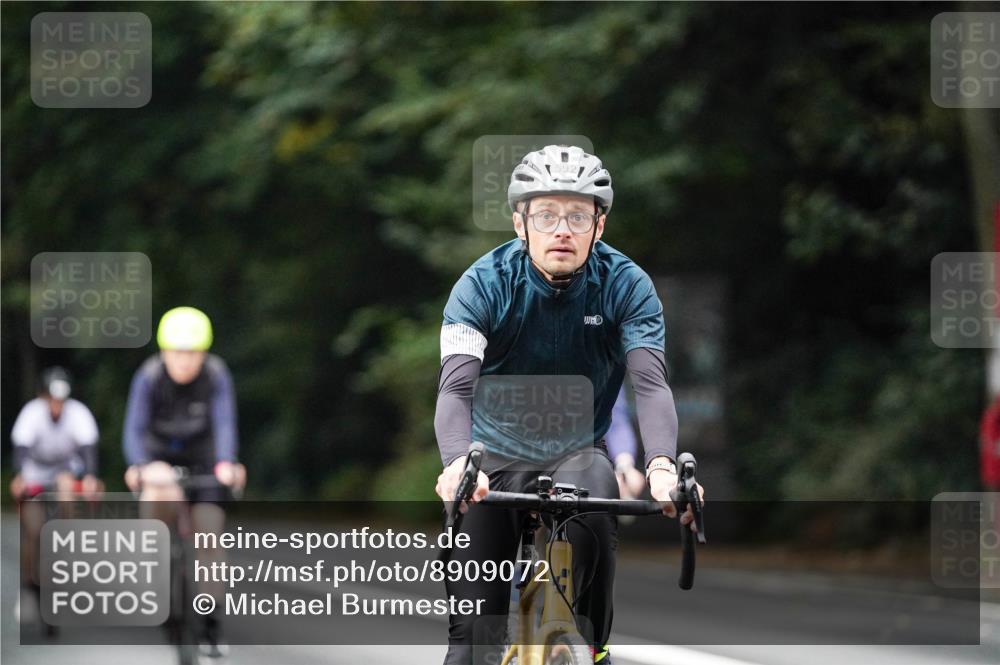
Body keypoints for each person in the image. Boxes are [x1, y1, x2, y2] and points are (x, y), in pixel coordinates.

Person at [434, 145, 704, 664]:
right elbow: (455, 390)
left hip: (578, 452)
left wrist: (663, 466)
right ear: (520, 223)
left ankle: (590, 647)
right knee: (471, 647)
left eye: (578, 215)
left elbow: (649, 384)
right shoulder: (480, 285)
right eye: (547, 214)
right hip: (491, 460)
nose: (562, 229)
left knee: (598, 512)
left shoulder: (628, 286)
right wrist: (454, 465)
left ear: (598, 227)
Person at [123, 306, 245, 658]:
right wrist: (142, 465)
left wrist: (226, 463)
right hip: (159, 460)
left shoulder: (217, 375)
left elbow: (224, 424)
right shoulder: (148, 377)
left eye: (193, 353)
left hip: (205, 460)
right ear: (164, 351)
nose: (185, 361)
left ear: (204, 353)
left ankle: (210, 624)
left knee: (210, 532)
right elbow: (133, 430)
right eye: (178, 352)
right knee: (157, 504)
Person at [10, 366, 101, 627]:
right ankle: (28, 586)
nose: (57, 406)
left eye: (61, 400)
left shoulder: (78, 413)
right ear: (43, 396)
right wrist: (20, 476)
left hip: (65, 469)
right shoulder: (32, 413)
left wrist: (91, 476)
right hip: (35, 472)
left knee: (67, 491)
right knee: (33, 529)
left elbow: (88, 448)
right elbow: (21, 448)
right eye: (53, 399)